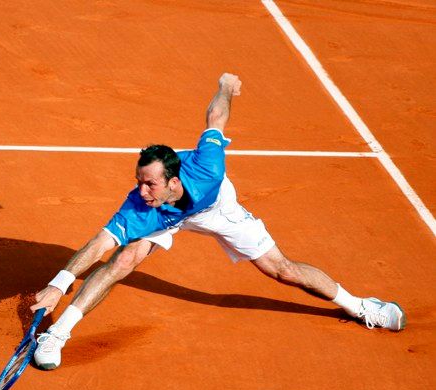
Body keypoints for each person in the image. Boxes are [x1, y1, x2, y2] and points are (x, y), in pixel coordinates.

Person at [30, 73, 406, 370]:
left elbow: (217, 116)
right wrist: (58, 284)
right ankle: (58, 334)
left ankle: (360, 307)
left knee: (282, 270)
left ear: (173, 181)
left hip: (215, 210)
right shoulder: (143, 204)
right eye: (138, 181)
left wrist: (225, 85)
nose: (140, 190)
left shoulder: (208, 169)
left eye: (149, 183)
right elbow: (100, 244)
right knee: (123, 261)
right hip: (168, 216)